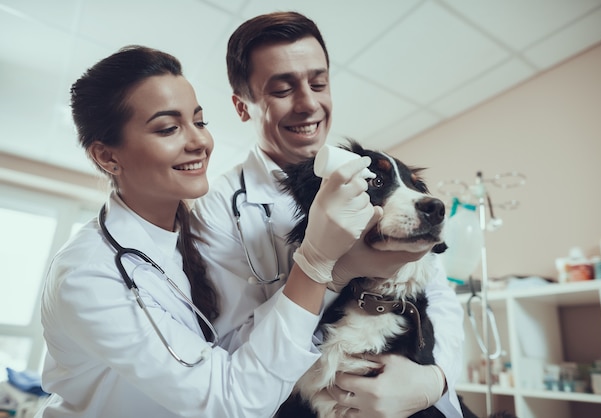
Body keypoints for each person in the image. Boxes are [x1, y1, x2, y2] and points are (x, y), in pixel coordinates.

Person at [36, 45, 386, 418]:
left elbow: (232, 348)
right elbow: (230, 401)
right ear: (107, 156)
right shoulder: (89, 274)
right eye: (169, 128)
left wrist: (334, 275)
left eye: (199, 122)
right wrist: (315, 262)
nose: (200, 142)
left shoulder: (181, 239)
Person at [192, 11, 465, 418]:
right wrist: (333, 274)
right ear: (243, 106)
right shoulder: (215, 209)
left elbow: (438, 295)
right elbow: (226, 347)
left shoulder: (365, 172)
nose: (308, 104)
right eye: (283, 89)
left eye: (318, 83)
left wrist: (435, 380)